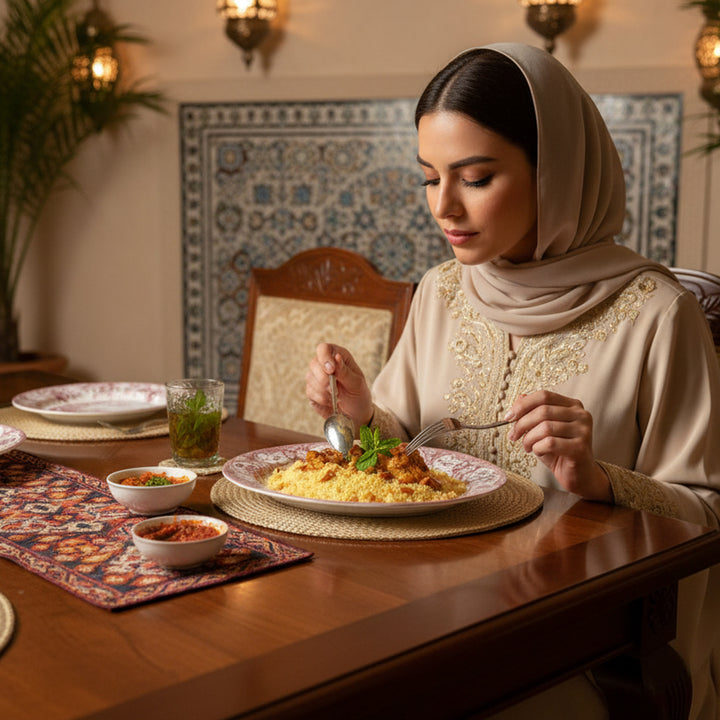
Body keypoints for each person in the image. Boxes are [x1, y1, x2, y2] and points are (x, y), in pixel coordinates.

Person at [306, 43, 720, 719]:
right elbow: (403, 451)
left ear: (552, 171)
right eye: (429, 178)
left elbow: (709, 514)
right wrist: (363, 411)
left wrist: (600, 479)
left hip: (582, 649)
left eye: (474, 177)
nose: (445, 207)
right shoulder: (442, 291)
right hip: (425, 618)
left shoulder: (656, 314)